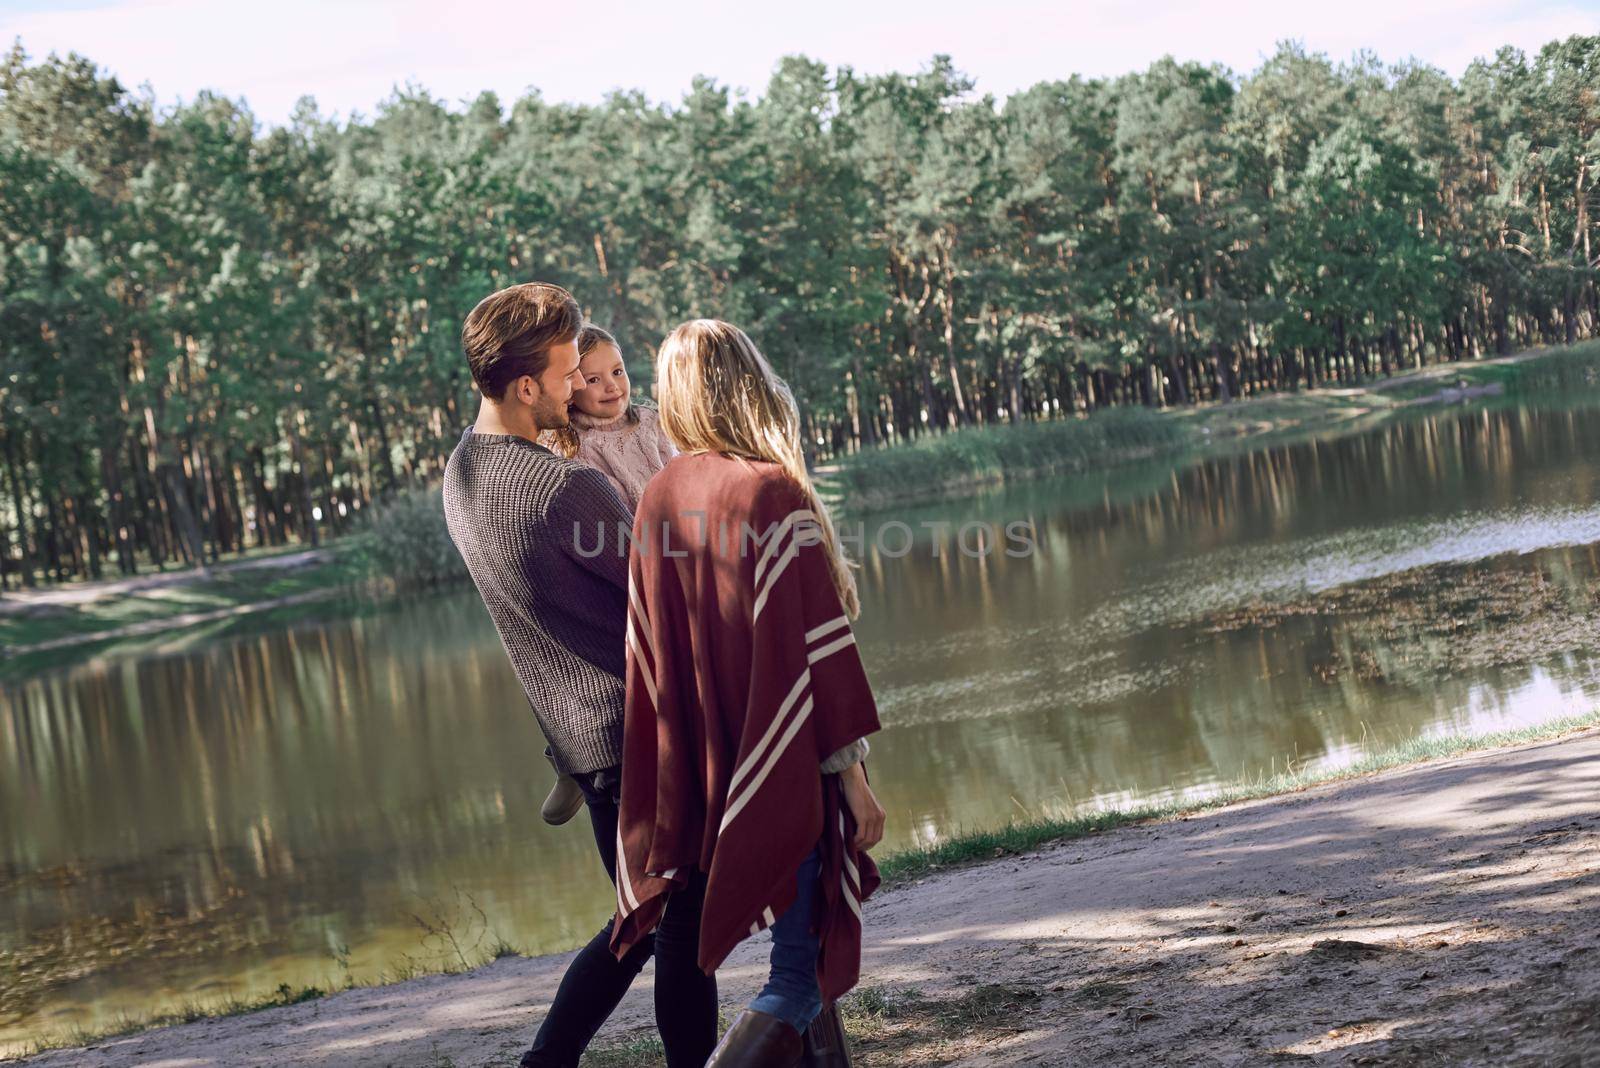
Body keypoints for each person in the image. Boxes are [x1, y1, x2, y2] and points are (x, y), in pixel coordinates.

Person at [440, 283, 717, 1068]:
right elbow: (674, 595)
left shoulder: (462, 476)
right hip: (640, 738)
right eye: (568, 374)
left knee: (643, 926)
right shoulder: (567, 488)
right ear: (527, 387)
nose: (579, 387)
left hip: (584, 745)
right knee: (678, 931)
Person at [610, 319, 888, 1068]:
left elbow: (657, 659)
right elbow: (817, 659)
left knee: (809, 966)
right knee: (799, 975)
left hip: (709, 767)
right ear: (749, 384)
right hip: (785, 764)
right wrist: (854, 783)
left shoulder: (660, 495)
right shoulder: (769, 491)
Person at [541, 322, 677, 513]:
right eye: (594, 379)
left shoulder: (652, 422)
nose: (612, 385)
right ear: (572, 388)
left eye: (617, 372)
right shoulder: (574, 450)